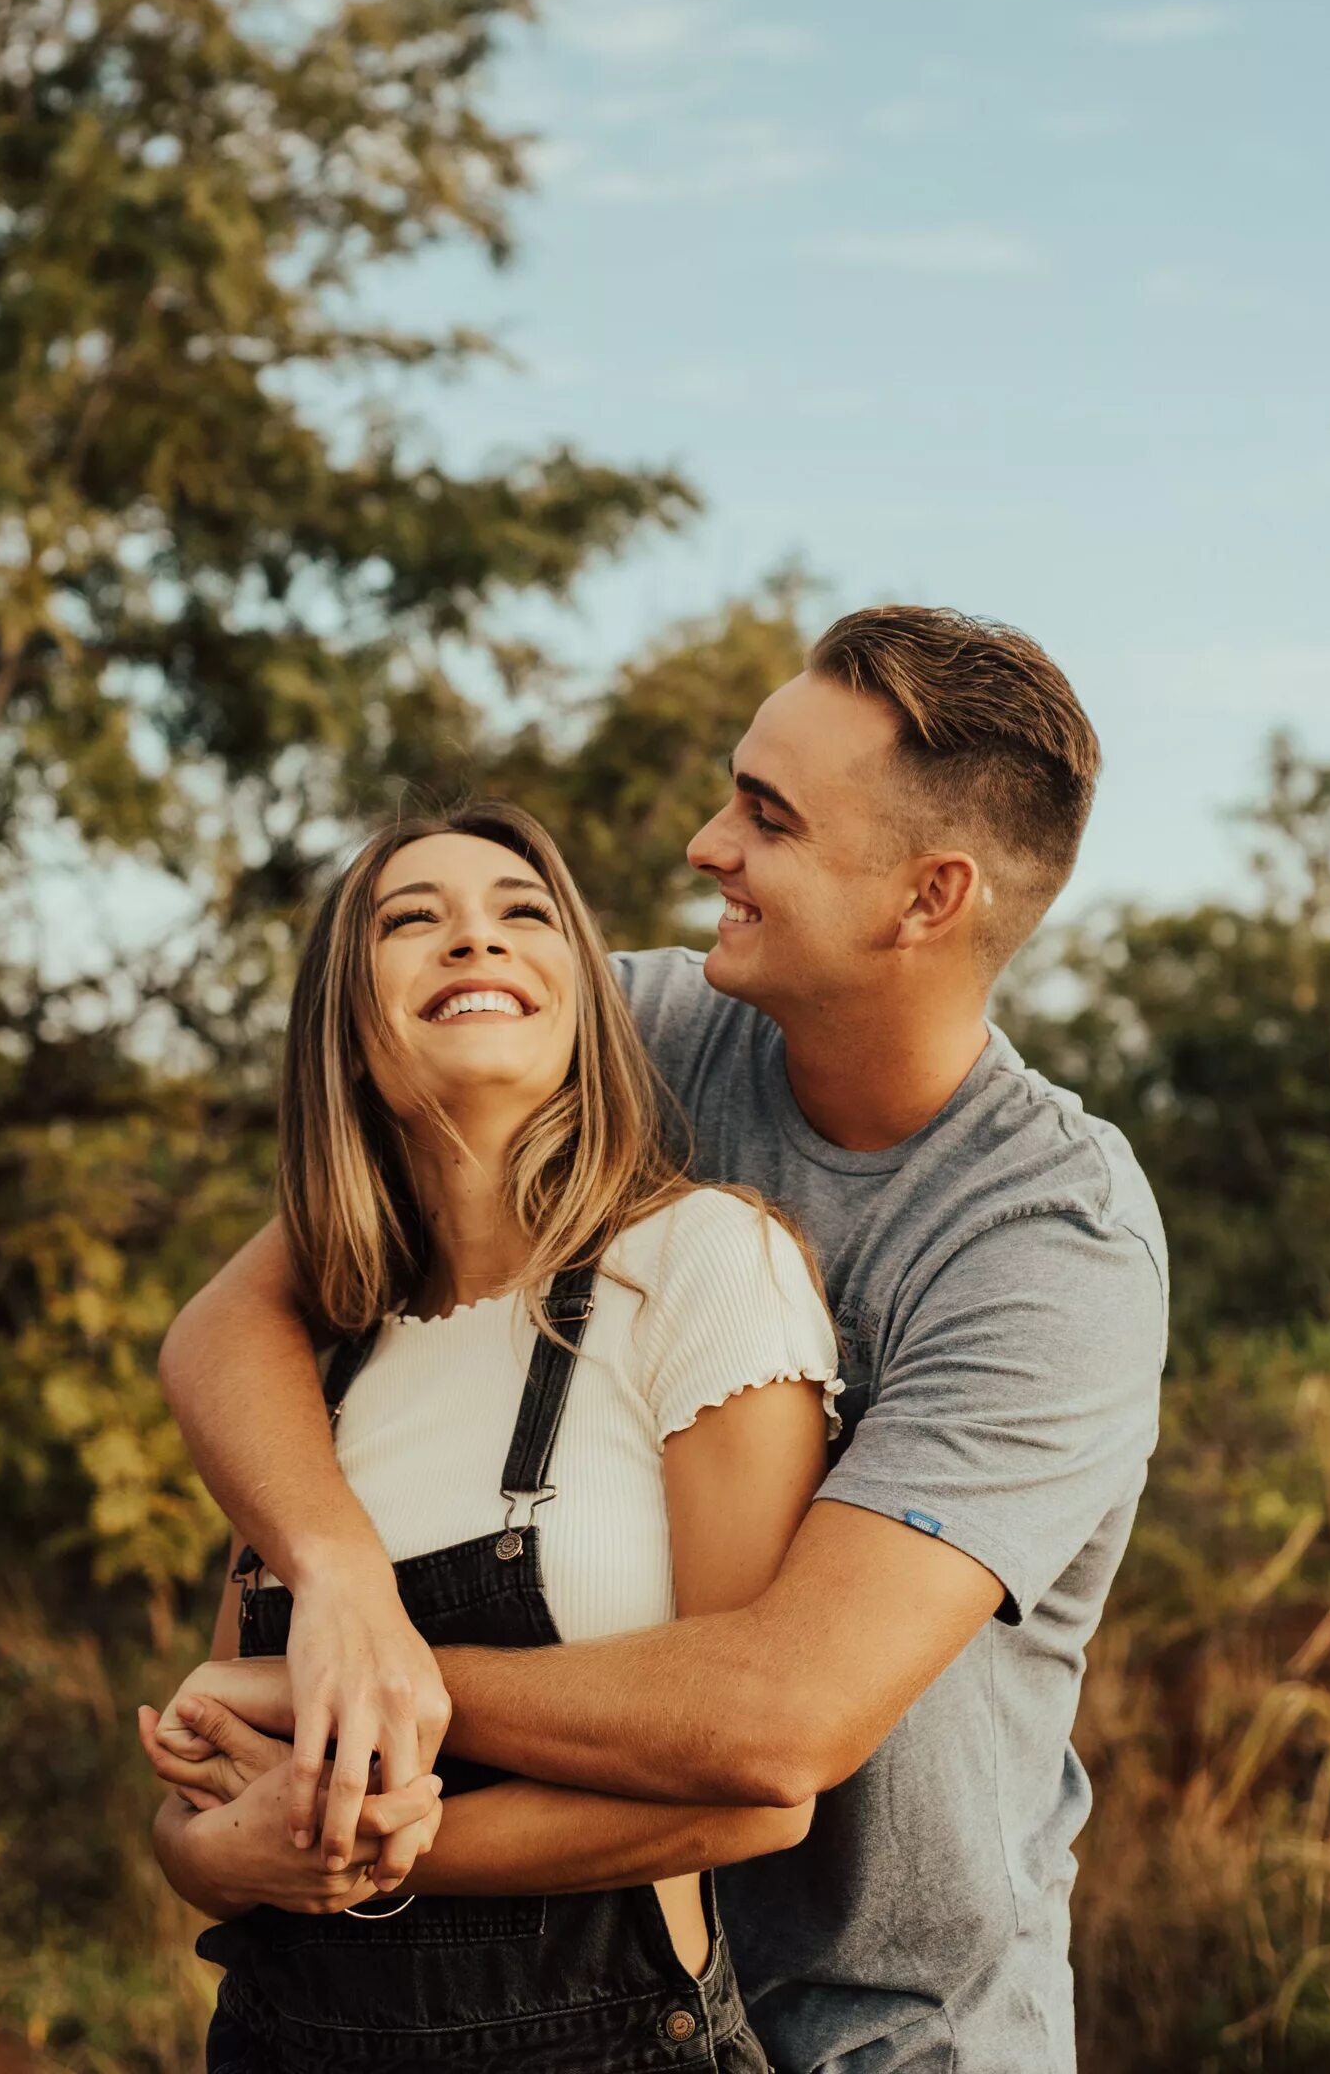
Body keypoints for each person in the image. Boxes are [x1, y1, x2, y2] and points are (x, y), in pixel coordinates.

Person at [157, 607, 1170, 2074]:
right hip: (588, 1952)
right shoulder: (646, 1026)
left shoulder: (1046, 1247)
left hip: (881, 2030)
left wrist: (356, 1722)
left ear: (923, 896)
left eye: (764, 818)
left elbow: (778, 1722)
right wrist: (338, 1590)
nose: (705, 846)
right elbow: (232, 1315)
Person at [143, 798, 844, 2073]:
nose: (475, 941)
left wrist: (349, 1851)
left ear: (582, 1001)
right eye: (413, 922)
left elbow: (758, 1792)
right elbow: (203, 1814)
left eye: (524, 916)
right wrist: (202, 1853)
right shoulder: (312, 1367)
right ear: (347, 1032)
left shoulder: (697, 1266)